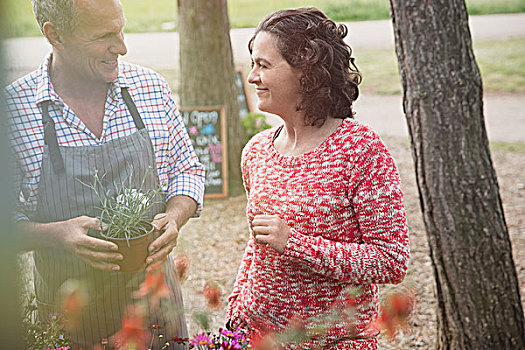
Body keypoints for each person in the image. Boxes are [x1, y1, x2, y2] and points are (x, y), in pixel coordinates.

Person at [6, 0, 204, 348]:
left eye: (121, 29)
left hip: (157, 316)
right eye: (104, 35)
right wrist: (57, 234)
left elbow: (187, 171)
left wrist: (174, 217)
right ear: (55, 35)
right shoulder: (14, 112)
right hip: (69, 325)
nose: (122, 47)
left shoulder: (150, 89)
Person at [226, 7, 410, 349]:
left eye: (263, 65)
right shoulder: (256, 151)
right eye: (253, 64)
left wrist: (295, 243)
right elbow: (259, 245)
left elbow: (391, 260)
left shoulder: (360, 149)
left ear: (306, 72)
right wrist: (236, 310)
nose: (252, 77)